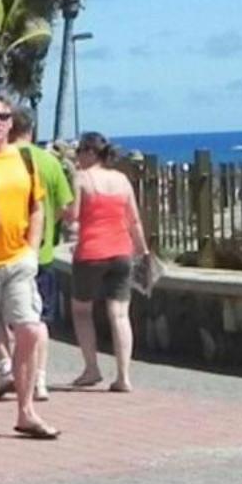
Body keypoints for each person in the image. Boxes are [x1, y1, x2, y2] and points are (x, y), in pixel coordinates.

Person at [0, 94, 60, 440]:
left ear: (11, 122)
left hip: (18, 261)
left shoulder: (24, 159)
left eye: (3, 116)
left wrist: (31, 249)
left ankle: (26, 411)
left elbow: (37, 207)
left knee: (28, 329)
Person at [66, 131, 151, 392]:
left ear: (91, 153)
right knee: (120, 314)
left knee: (82, 310)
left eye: (80, 150)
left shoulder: (81, 179)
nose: (77, 155)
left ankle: (91, 368)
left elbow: (73, 217)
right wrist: (143, 252)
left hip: (91, 252)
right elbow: (134, 220)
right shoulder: (122, 180)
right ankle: (124, 376)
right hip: (121, 251)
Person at [9, 105, 74, 401]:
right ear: (32, 129)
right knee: (40, 320)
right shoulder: (49, 162)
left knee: (9, 320)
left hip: (9, 253)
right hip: (42, 254)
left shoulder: (5, 160)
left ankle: (10, 370)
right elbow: (66, 208)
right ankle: (40, 379)